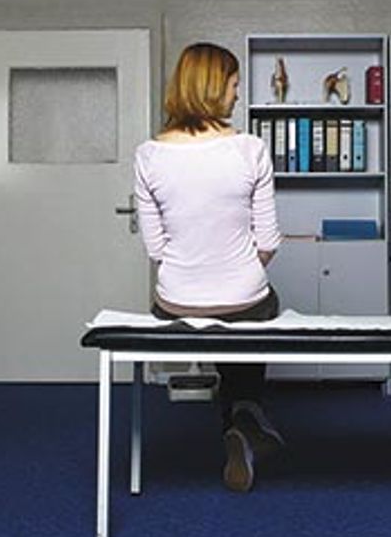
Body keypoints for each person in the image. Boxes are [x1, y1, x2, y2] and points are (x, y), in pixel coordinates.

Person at [132, 42, 285, 493]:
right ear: (217, 88)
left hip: (177, 300)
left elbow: (156, 249)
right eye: (235, 85)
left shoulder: (148, 155)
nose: (238, 95)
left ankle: (237, 420)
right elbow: (269, 243)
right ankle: (243, 416)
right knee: (253, 308)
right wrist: (233, 268)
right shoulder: (250, 148)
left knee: (208, 313)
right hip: (244, 298)